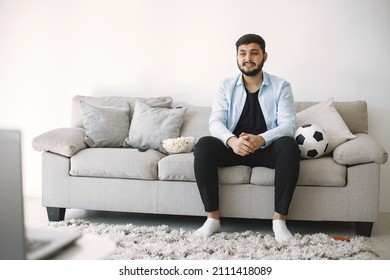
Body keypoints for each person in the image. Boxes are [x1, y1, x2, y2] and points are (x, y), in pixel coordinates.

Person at [193, 34, 300, 242]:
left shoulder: (281, 86)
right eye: (242, 53)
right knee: (204, 145)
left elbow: (288, 125)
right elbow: (216, 121)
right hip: (235, 149)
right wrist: (232, 141)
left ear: (264, 56)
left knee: (289, 145)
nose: (247, 58)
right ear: (237, 57)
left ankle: (279, 221)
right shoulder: (225, 85)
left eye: (254, 52)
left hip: (266, 149)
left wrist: (261, 139)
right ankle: (212, 219)